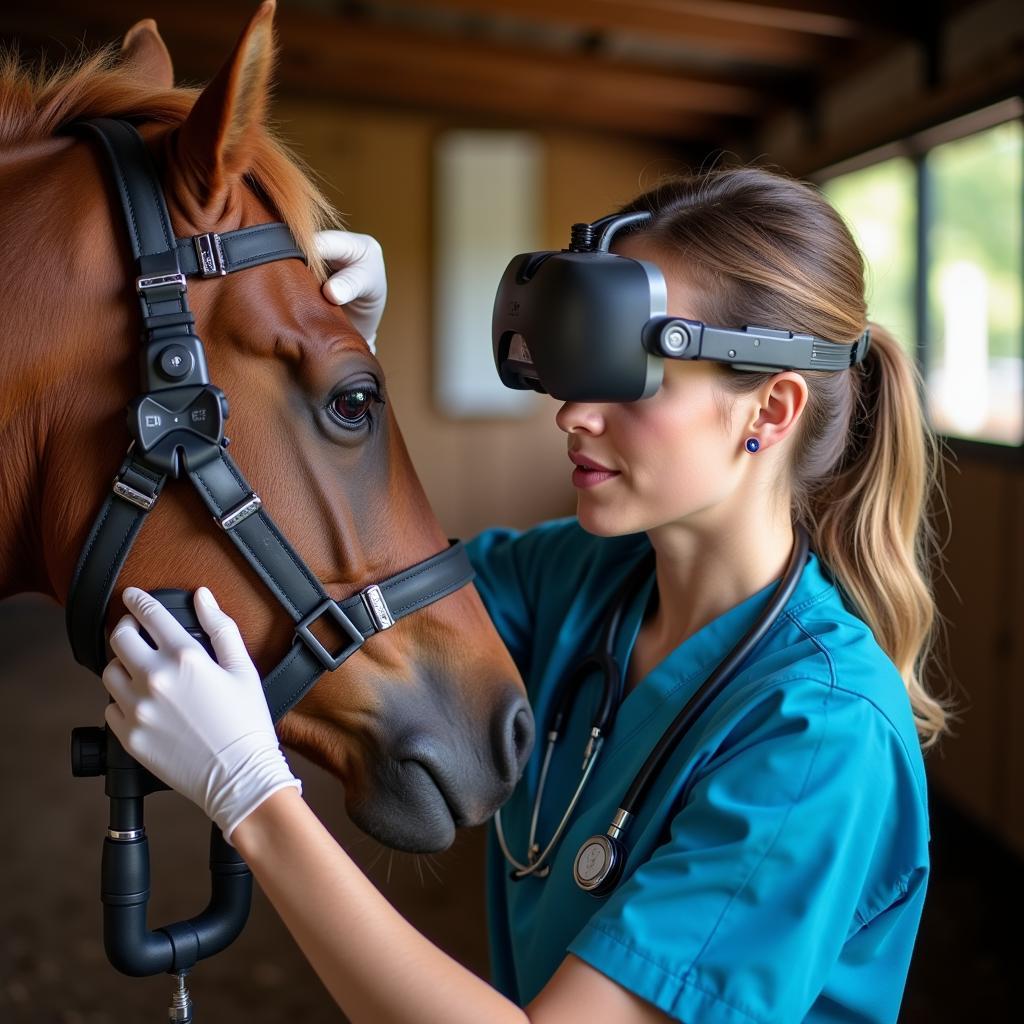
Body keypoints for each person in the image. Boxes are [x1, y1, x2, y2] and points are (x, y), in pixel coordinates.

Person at [100, 166, 948, 1023]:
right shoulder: (580, 578)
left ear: (770, 408)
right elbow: (359, 603)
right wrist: (335, 389)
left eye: (631, 366)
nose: (573, 411)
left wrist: (253, 797)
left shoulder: (822, 738)